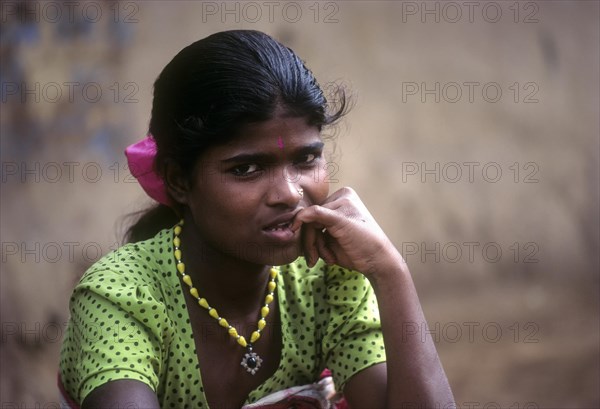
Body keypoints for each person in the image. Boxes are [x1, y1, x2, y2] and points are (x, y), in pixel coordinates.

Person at [58, 30, 454, 409]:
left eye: (306, 159)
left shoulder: (328, 277)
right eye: (246, 168)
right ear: (179, 180)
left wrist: (390, 272)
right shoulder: (121, 297)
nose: (288, 193)